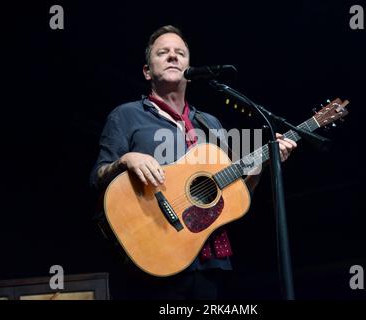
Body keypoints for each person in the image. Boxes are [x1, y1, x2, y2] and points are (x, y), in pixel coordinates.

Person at [89, 25, 297, 299]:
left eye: (180, 53)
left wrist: (259, 169)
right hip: (155, 258)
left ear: (190, 67)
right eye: (163, 53)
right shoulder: (126, 115)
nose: (173, 57)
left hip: (211, 264)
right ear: (147, 71)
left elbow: (233, 199)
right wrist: (126, 160)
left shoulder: (210, 124)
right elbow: (97, 178)